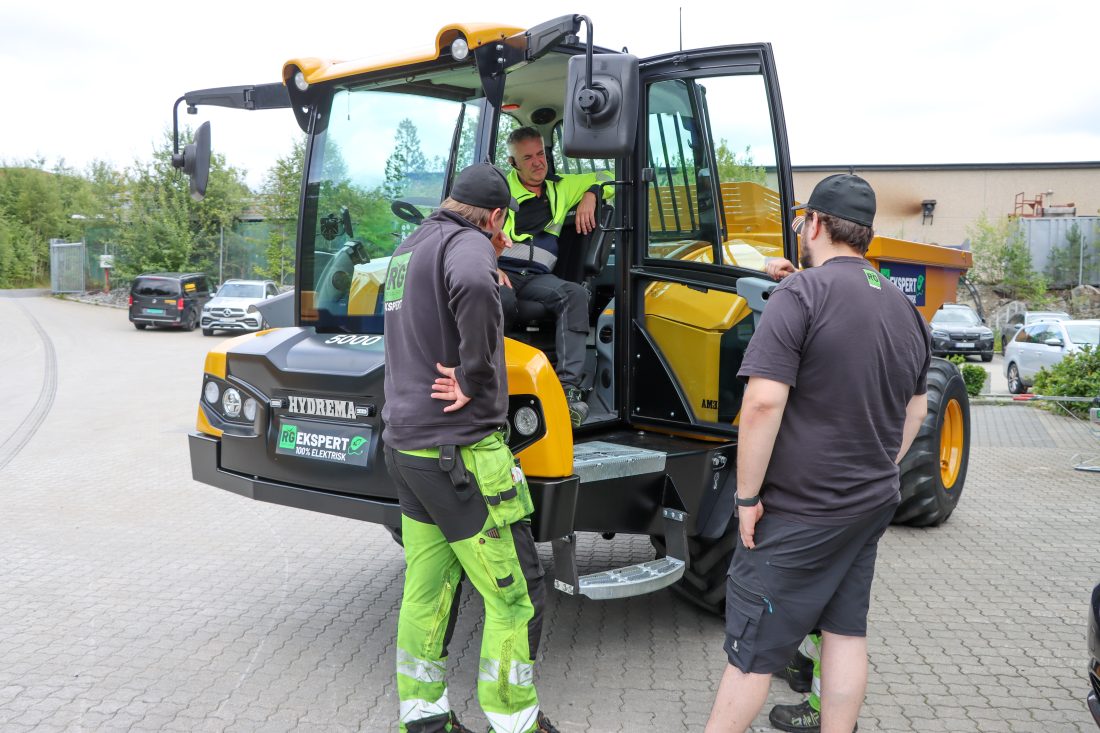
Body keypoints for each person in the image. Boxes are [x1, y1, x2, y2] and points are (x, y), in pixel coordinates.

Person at [705, 174, 931, 733]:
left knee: (753, 648)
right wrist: (879, 468)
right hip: (871, 501)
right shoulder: (905, 312)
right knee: (846, 631)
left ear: (816, 224)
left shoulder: (802, 296)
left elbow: (761, 403)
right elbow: (917, 411)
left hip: (800, 508)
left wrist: (747, 497)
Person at [382, 162, 559, 733]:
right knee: (515, 596)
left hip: (407, 451)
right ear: (497, 217)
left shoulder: (409, 246)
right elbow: (478, 284)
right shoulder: (469, 245)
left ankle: (426, 720)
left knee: (427, 590)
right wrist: (475, 373)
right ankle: (515, 724)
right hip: (460, 456)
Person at [497, 126, 612, 427]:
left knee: (573, 293)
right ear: (513, 164)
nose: (538, 162)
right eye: (528, 158)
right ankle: (495, 381)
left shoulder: (560, 187)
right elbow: (474, 229)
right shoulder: (500, 190)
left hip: (536, 278)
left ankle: (568, 392)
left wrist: (592, 193)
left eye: (541, 154)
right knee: (499, 297)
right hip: (501, 272)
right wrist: (489, 266)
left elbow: (609, 176)